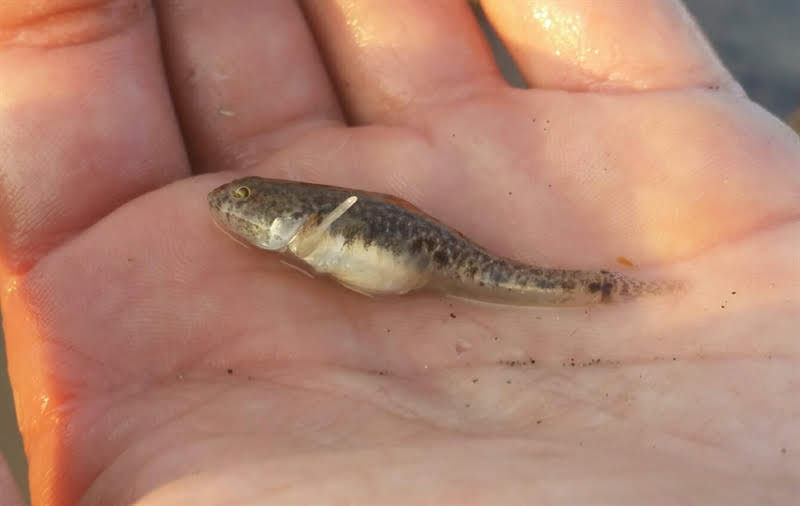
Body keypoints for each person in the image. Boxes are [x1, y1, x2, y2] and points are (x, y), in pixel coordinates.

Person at [1, 1, 798, 504]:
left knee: (497, 277)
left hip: (407, 253)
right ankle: (600, 292)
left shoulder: (315, 222)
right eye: (241, 202)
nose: (232, 209)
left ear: (284, 210)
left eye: (246, 202)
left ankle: (601, 292)